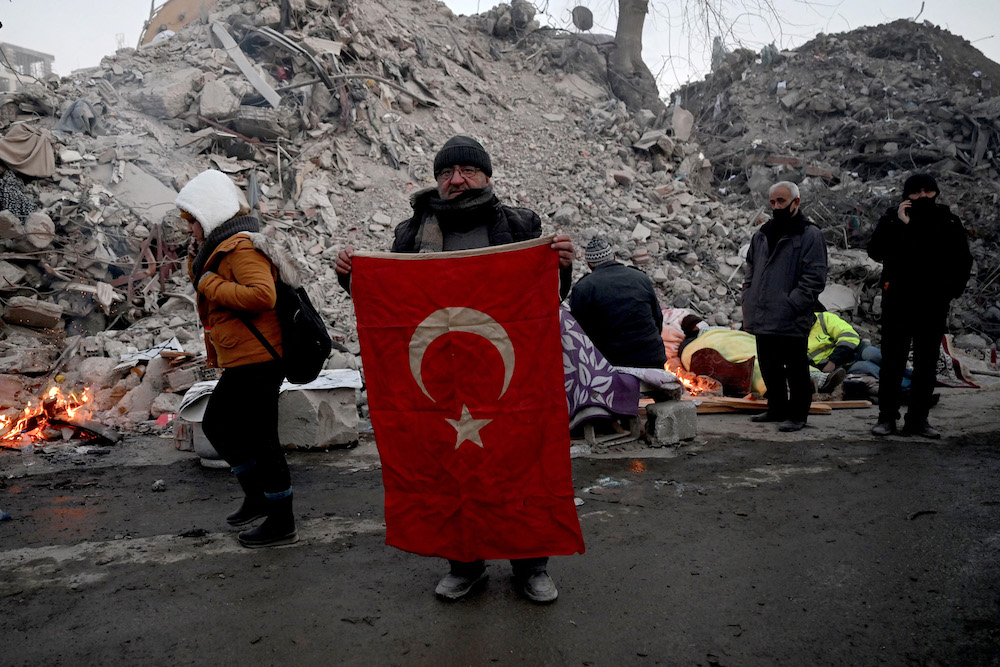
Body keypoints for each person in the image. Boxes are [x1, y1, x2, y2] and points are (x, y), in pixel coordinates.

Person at [336, 135, 575, 603]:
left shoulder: (521, 225)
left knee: (520, 463)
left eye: (467, 171)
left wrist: (560, 267)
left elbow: (543, 301)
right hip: (440, 380)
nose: (456, 180)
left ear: (486, 177)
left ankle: (531, 565)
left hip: (506, 377)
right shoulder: (410, 235)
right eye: (446, 173)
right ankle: (465, 563)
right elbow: (395, 311)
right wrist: (353, 275)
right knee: (452, 470)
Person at [178, 169, 297, 548]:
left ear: (211, 214)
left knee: (261, 439)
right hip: (245, 357)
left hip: (261, 358)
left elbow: (263, 295)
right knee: (221, 425)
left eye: (193, 220)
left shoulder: (241, 247)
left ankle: (282, 520)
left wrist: (207, 282)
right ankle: (258, 497)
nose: (190, 229)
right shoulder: (219, 248)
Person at [867, 173, 972, 438]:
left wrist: (950, 292)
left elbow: (961, 260)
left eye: (928, 191)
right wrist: (902, 225)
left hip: (932, 303)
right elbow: (876, 251)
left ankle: (918, 420)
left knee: (926, 363)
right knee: (892, 361)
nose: (923, 196)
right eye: (917, 192)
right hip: (898, 300)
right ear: (907, 195)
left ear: (935, 193)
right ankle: (886, 418)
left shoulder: (947, 221)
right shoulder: (893, 218)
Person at [742, 181, 828, 432]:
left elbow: (815, 277)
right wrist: (748, 296)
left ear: (796, 202)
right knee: (769, 365)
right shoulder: (762, 234)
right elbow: (751, 269)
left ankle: (798, 414)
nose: (776, 206)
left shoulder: (810, 235)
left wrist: (793, 303)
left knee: (796, 367)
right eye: (772, 202)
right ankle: (777, 408)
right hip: (763, 312)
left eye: (781, 201)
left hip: (791, 316)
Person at [568, 238, 667, 369]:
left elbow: (579, 333)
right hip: (653, 358)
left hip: (612, 364)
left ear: (589, 265)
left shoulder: (583, 288)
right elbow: (658, 318)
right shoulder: (641, 277)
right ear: (614, 257)